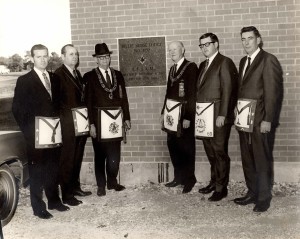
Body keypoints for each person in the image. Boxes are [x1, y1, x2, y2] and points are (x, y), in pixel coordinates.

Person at [12, 44, 69, 219]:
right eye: (39, 57)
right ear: (32, 59)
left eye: (45, 56)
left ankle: (54, 200)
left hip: (53, 132)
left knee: (53, 167)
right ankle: (38, 207)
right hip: (35, 135)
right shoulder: (24, 81)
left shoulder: (55, 78)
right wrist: (30, 132)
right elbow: (17, 109)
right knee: (37, 172)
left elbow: (60, 105)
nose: (43, 60)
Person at [233, 26, 283, 212]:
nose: (246, 42)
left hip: (260, 119)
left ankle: (263, 197)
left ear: (259, 40)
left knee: (261, 158)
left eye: (250, 38)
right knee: (247, 157)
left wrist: (268, 119)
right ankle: (252, 192)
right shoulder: (243, 61)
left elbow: (272, 94)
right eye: (243, 39)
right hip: (244, 119)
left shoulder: (268, 60)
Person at [84, 43, 131, 197]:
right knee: (100, 155)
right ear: (96, 59)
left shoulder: (118, 75)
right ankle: (101, 185)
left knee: (114, 156)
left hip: (116, 122)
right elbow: (88, 103)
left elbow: (124, 99)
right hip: (98, 121)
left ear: (110, 58)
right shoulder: (90, 76)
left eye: (106, 56)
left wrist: (127, 118)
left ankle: (112, 182)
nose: (104, 59)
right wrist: (91, 124)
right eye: (101, 57)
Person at [196, 33, 238, 201]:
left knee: (219, 152)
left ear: (216, 44)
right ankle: (214, 182)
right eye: (202, 45)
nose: (205, 48)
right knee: (210, 152)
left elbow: (229, 90)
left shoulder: (225, 62)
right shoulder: (202, 65)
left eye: (208, 44)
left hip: (218, 116)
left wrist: (223, 114)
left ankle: (221, 188)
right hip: (204, 116)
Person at [54, 44, 92, 207]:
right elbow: (56, 102)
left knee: (77, 157)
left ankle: (75, 187)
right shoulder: (58, 75)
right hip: (68, 123)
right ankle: (67, 195)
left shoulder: (77, 73)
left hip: (80, 122)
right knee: (67, 159)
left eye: (76, 54)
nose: (74, 57)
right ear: (63, 57)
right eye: (71, 54)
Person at [160, 41, 198, 194]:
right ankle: (178, 177)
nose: (172, 52)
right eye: (170, 50)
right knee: (173, 146)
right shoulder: (172, 69)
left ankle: (189, 179)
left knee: (186, 148)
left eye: (175, 49)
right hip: (171, 116)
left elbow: (192, 94)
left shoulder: (191, 67)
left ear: (183, 50)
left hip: (184, 116)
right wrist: (163, 113)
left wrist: (189, 116)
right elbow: (168, 94)